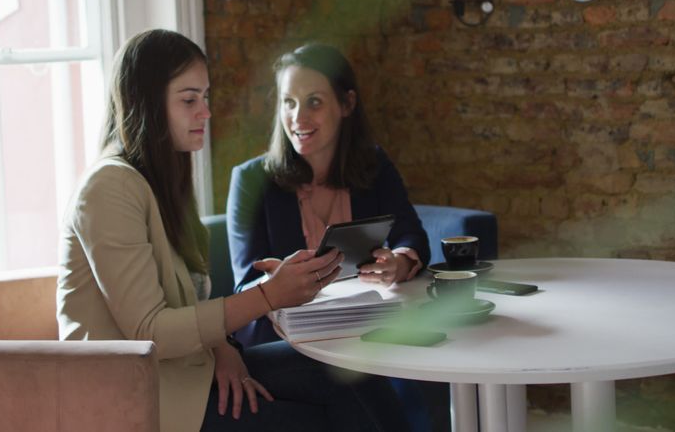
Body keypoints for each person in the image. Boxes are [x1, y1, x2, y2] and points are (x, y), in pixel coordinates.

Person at [57, 30, 408, 432]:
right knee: (314, 419)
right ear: (147, 104)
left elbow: (182, 302)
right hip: (136, 394)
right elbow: (149, 331)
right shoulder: (110, 187)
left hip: (185, 372)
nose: (205, 112)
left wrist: (222, 348)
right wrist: (268, 295)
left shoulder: (159, 181)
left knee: (351, 372)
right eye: (189, 100)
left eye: (204, 97)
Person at [226, 43, 431, 347]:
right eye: (289, 102)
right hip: (283, 340)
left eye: (314, 102)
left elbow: (412, 236)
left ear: (347, 104)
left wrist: (398, 263)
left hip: (362, 330)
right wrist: (277, 282)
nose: (298, 117)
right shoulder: (249, 180)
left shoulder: (374, 164)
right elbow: (245, 286)